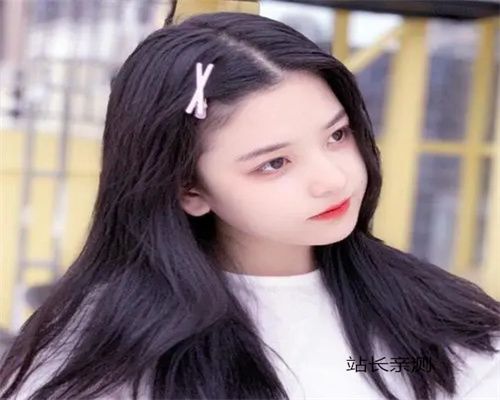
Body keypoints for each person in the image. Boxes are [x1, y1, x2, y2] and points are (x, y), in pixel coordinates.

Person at [1, 10, 499, 400]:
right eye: (274, 163)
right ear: (188, 190)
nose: (333, 179)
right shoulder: (102, 352)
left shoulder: (438, 319)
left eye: (337, 135)